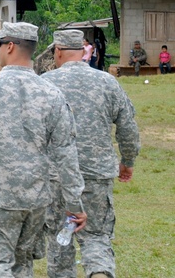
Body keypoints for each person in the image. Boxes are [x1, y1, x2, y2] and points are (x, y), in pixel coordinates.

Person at [0, 22, 86, 277]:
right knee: (22, 263)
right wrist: (74, 203)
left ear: (10, 46)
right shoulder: (52, 92)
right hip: (36, 199)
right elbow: (67, 154)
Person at [41, 29, 140, 278]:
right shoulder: (107, 81)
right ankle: (99, 273)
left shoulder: (44, 83)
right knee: (96, 236)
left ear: (58, 51)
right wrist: (127, 161)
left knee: (59, 239)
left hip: (55, 176)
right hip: (96, 174)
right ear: (84, 50)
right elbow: (128, 127)